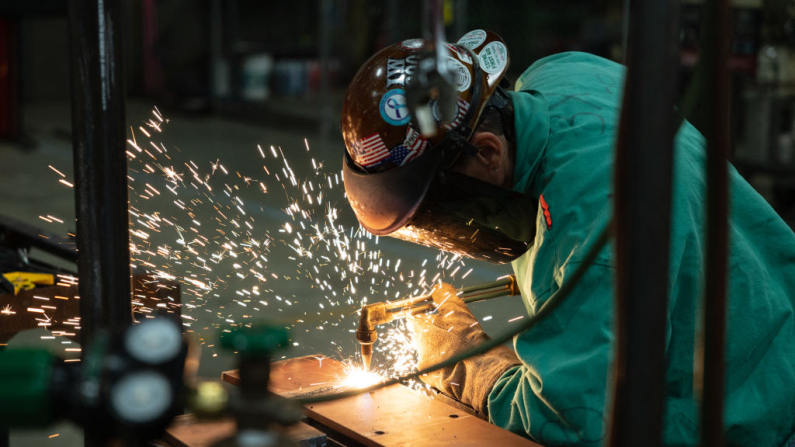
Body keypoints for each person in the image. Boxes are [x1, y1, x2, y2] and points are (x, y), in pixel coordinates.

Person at [340, 30, 795, 447]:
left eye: (439, 212)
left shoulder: (590, 245)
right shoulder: (562, 72)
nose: (443, 231)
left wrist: (466, 366)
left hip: (761, 419)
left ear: (487, 151)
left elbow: (575, 424)